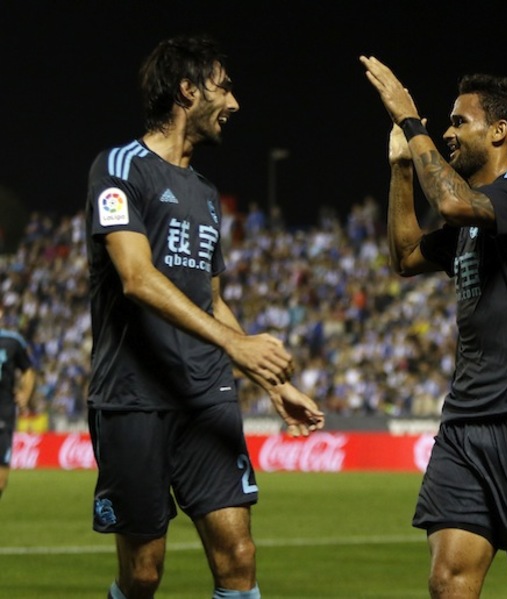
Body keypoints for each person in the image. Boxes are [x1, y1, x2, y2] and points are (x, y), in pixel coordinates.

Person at [85, 35, 324, 599]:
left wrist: (271, 382)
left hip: (206, 396)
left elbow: (211, 299)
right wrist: (236, 346)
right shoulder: (118, 167)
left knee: (238, 557)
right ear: (187, 91)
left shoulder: (206, 192)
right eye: (224, 86)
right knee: (143, 573)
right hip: (134, 397)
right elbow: (136, 278)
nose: (235, 103)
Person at [360, 56, 507, 599]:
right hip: (466, 424)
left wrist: (409, 119)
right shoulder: (466, 221)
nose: (446, 132)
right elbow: (405, 256)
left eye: (458, 122)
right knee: (448, 583)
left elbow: (449, 199)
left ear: (498, 131)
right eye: (444, 123)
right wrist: (400, 167)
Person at [0, 307, 36, 500]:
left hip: (3, 414)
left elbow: (29, 370)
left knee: (1, 481)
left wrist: (25, 393)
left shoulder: (12, 341)